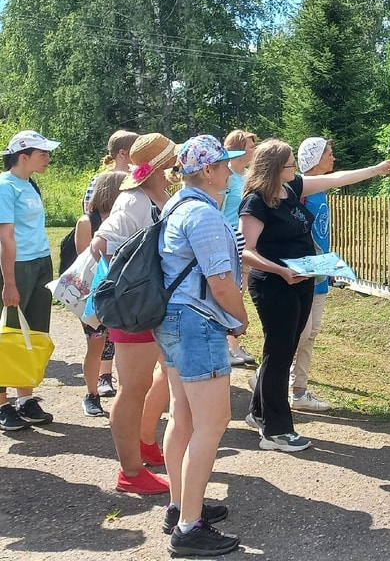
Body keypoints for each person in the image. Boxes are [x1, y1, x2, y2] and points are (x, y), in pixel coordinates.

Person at [240, 139, 390, 451]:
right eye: (290, 164)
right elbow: (246, 250)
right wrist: (280, 270)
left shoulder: (291, 187)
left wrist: (376, 170)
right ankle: (276, 432)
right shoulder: (256, 202)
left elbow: (337, 179)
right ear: (275, 168)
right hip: (275, 285)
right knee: (279, 353)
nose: (295, 168)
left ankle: (259, 414)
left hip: (302, 280)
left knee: (283, 351)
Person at [156, 135, 247, 557]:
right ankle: (189, 528)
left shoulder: (175, 205)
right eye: (224, 164)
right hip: (198, 322)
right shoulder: (204, 215)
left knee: (183, 416)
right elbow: (221, 282)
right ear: (207, 171)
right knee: (212, 423)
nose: (230, 171)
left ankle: (180, 505)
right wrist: (240, 318)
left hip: (172, 320)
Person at [90, 132, 177, 494]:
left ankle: (145, 443)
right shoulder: (134, 200)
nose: (177, 162)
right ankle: (129, 471)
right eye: (171, 157)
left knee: (161, 377)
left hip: (154, 305)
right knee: (132, 389)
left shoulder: (160, 196)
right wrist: (125, 273)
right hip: (135, 307)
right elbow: (101, 241)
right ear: (159, 165)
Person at [0, 131, 59, 432]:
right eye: (42, 154)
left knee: (33, 332)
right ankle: (2, 404)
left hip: (39, 263)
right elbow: (5, 237)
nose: (48, 158)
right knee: (7, 333)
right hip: (17, 267)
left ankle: (25, 399)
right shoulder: (5, 186)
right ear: (23, 157)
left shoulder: (29, 184)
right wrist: (9, 282)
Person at [83, 130, 137, 398]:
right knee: (98, 338)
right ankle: (97, 385)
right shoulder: (90, 218)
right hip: (98, 285)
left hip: (121, 282)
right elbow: (86, 254)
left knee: (116, 335)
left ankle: (116, 379)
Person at [74, 170, 127, 417]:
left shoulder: (124, 219)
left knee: (122, 346)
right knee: (96, 345)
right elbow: (84, 261)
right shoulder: (87, 222)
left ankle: (124, 394)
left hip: (121, 293)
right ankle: (91, 394)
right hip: (95, 295)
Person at [289, 137, 335, 412]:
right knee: (298, 334)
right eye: (329, 153)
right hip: (304, 273)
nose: (333, 158)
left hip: (322, 271)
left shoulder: (322, 190)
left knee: (311, 333)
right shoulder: (300, 191)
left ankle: (299, 392)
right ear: (315, 158)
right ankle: (264, 379)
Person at [220, 129, 257, 367]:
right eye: (251, 146)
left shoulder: (248, 177)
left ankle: (233, 345)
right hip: (228, 242)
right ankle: (227, 347)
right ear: (239, 150)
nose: (254, 151)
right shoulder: (227, 177)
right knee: (230, 294)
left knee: (240, 293)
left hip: (245, 244)